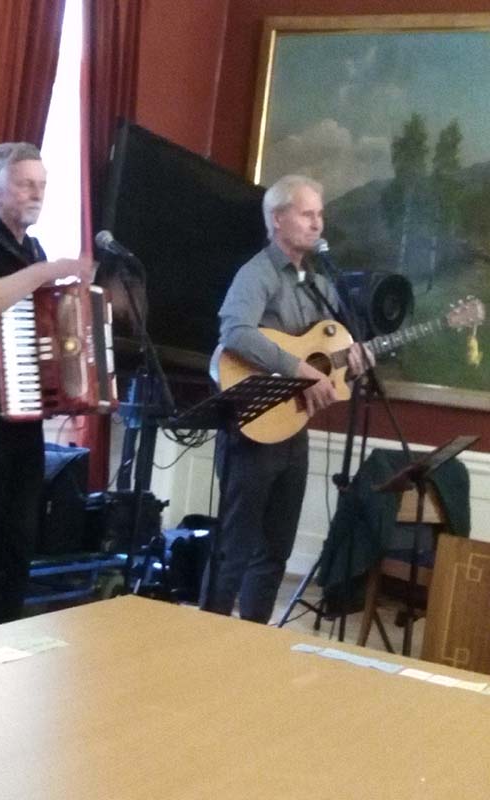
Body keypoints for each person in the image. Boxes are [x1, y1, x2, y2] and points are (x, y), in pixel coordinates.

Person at [201, 174, 372, 624]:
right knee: (235, 548)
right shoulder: (256, 274)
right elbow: (235, 333)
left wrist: (354, 362)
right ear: (278, 219)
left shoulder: (319, 286)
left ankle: (255, 640)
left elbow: (328, 353)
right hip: (252, 427)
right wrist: (298, 368)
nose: (318, 224)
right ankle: (202, 635)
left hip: (293, 429)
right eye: (307, 214)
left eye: (320, 215)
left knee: (276, 549)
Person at [0, 142, 93, 635]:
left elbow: (41, 327)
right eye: (26, 183)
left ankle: (1, 645)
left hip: (22, 413)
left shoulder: (32, 250)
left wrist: (66, 380)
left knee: (18, 542)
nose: (36, 193)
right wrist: (45, 273)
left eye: (42, 185)